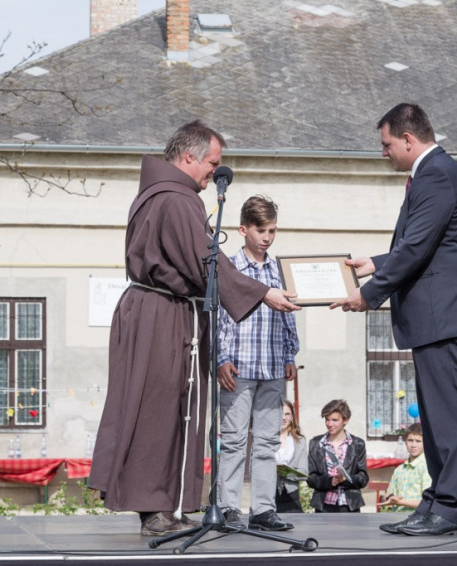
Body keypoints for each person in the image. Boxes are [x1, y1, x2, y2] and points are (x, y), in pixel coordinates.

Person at [88, 120, 300, 537]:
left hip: (161, 311)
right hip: (162, 315)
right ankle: (154, 509)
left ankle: (164, 506)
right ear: (189, 157)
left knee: (170, 410)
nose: (214, 173)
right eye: (212, 164)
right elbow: (208, 263)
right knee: (158, 410)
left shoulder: (160, 194)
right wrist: (262, 292)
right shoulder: (177, 199)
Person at [330, 103, 457, 536]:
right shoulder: (433, 174)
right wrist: (375, 263)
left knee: (451, 419)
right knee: (437, 420)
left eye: (386, 144)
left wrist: (369, 294)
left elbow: (417, 247)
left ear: (408, 139)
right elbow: (430, 246)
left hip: (450, 317)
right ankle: (437, 503)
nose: (383, 152)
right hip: (441, 319)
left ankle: (450, 509)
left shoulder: (436, 175)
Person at [216, 195, 300, 532]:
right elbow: (219, 317)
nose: (267, 237)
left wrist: (290, 354)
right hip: (238, 368)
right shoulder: (229, 268)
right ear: (243, 230)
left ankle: (263, 509)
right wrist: (221, 358)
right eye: (261, 230)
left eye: (272, 231)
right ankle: (228, 508)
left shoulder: (279, 270)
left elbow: (289, 315)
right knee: (234, 441)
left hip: (272, 366)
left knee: (267, 442)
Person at [306, 399, 369, 512]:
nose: (330, 424)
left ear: (346, 420)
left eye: (335, 420)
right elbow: (310, 478)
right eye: (327, 419)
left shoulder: (357, 444)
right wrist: (330, 481)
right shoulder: (316, 443)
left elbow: (363, 478)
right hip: (323, 506)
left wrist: (346, 479)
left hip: (349, 507)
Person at [377, 423, 431, 512]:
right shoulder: (399, 469)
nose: (413, 445)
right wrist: (387, 497)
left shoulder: (427, 467)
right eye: (410, 440)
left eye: (418, 441)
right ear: (405, 441)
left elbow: (428, 502)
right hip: (396, 517)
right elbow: (389, 494)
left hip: (417, 518)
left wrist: (400, 502)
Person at [275, 400, 307, 513]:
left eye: (287, 414)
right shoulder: (264, 440)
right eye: (280, 413)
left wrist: (286, 472)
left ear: (292, 417)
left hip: (292, 498)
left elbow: (304, 472)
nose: (283, 418)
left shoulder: (300, 441)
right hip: (268, 497)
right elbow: (254, 471)